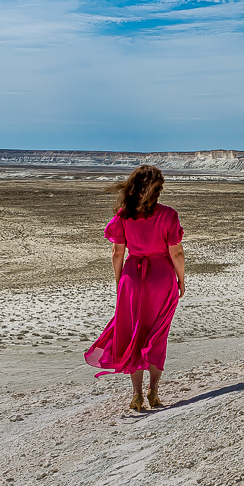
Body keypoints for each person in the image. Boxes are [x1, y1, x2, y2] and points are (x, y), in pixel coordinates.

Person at [84, 165, 185, 412]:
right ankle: (154, 391)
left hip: (132, 278)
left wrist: (121, 281)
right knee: (158, 333)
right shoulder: (168, 215)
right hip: (161, 278)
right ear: (158, 189)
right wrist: (181, 280)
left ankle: (137, 394)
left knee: (134, 334)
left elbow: (117, 253)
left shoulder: (124, 215)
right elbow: (177, 253)